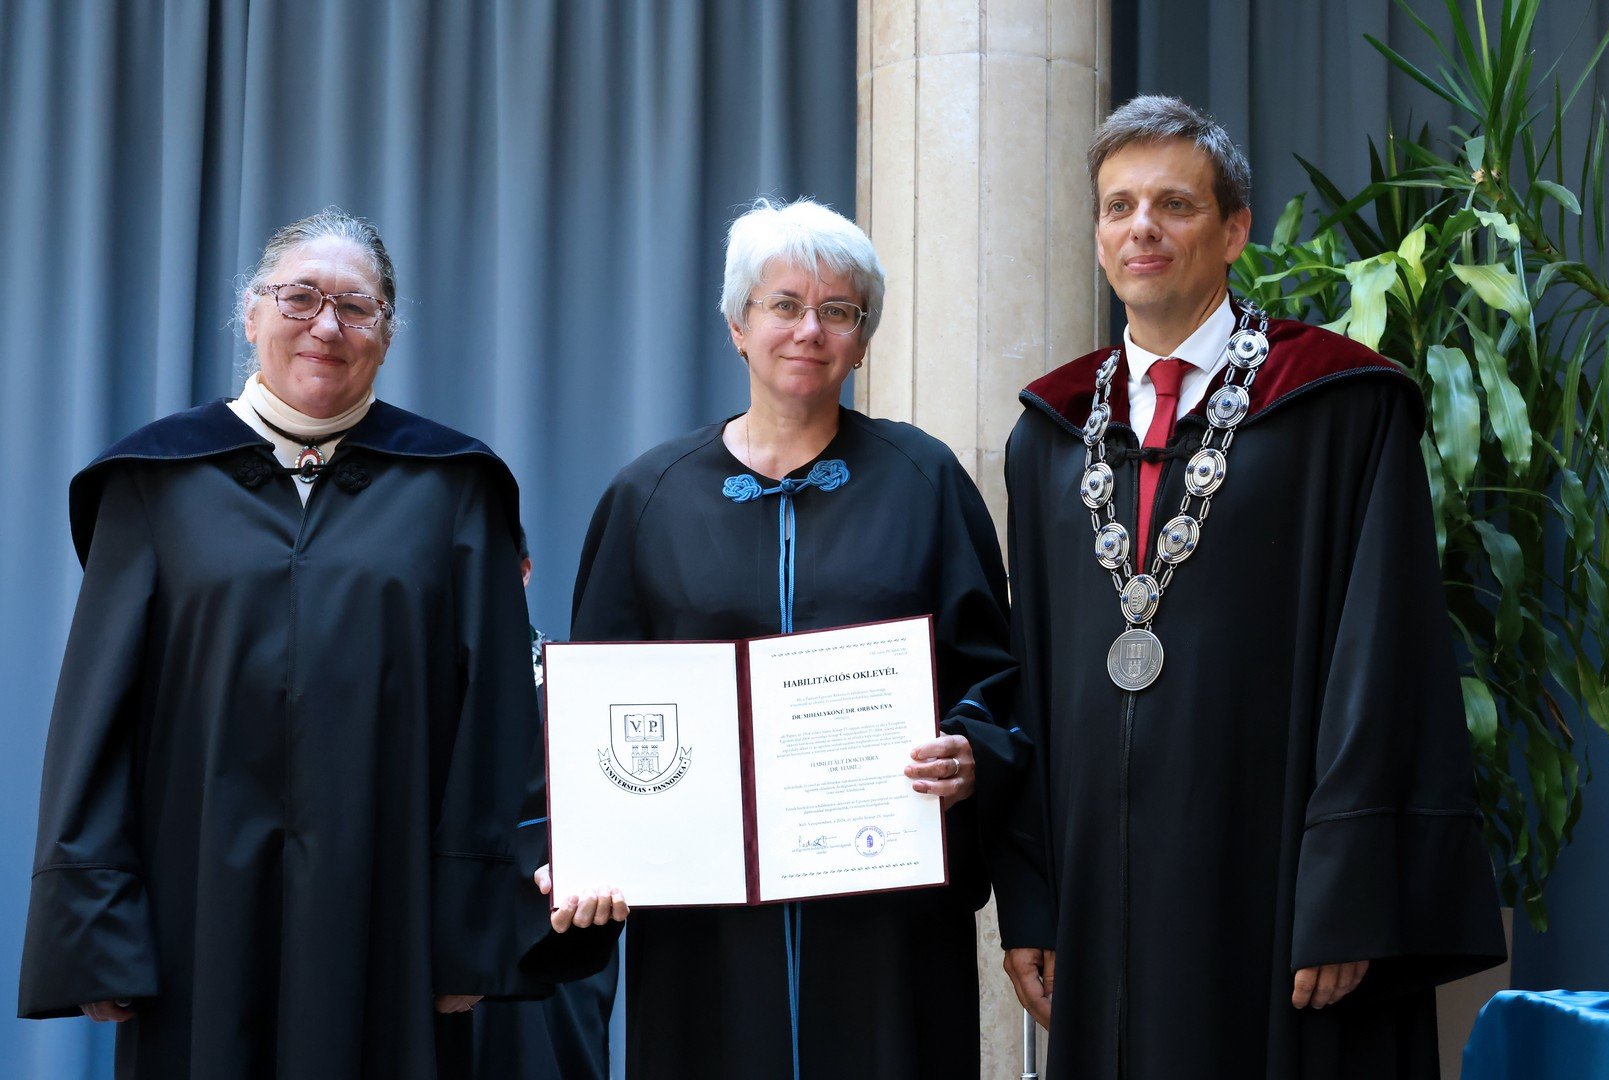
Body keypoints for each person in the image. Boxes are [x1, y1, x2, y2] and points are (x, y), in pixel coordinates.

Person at [995, 96, 1506, 1079]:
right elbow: (1028, 680)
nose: (1142, 228)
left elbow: (1386, 656)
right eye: (1118, 207)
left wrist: (1352, 890)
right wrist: (1032, 898)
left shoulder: (1339, 408)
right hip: (1102, 897)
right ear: (1098, 237)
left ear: (1234, 231)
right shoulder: (1048, 437)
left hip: (1276, 891)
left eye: (1175, 205)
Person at [19, 209, 558, 1079]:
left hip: (389, 921)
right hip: (195, 910)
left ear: (387, 332)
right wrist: (96, 930)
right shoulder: (153, 486)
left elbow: (493, 729)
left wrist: (470, 932)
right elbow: (95, 719)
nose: (326, 326)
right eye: (299, 297)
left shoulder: (456, 491)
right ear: (251, 314)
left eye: (356, 306)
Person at [522, 197, 1023, 1080]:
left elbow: (997, 676)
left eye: (839, 310)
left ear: (863, 341)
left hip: (883, 908)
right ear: (737, 327)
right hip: (707, 919)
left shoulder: (924, 480)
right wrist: (589, 844)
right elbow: (597, 707)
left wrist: (970, 752)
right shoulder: (649, 497)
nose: (809, 330)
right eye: (784, 305)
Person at [472, 528, 618, 1080]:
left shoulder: (576, 680)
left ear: (525, 571)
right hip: (457, 930)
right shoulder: (421, 683)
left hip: (559, 925)